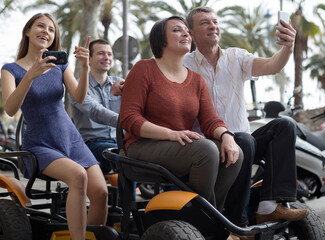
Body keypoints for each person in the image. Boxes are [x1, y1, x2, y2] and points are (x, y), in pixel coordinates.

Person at [183, 6, 308, 239]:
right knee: (244, 140)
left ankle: (268, 207)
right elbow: (156, 79)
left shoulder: (235, 56)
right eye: (204, 23)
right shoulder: (184, 65)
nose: (213, 26)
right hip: (208, 148)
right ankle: (236, 224)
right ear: (190, 32)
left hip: (243, 142)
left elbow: (272, 65)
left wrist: (288, 48)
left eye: (215, 21)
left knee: (284, 126)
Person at [119, 15, 243, 214]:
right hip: (142, 146)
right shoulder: (144, 69)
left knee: (235, 152)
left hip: (180, 146)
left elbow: (210, 121)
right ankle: (208, 222)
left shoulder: (196, 80)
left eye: (186, 30)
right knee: (206, 150)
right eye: (177, 30)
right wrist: (170, 134)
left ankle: (208, 217)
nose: (185, 33)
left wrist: (227, 136)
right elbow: (129, 118)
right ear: (161, 39)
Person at [1, 13, 108, 240]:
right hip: (40, 143)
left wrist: (85, 67)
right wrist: (30, 76)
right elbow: (10, 109)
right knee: (78, 176)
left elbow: (78, 97)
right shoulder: (10, 69)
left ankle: (87, 235)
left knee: (101, 192)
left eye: (51, 30)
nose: (46, 32)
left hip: (71, 138)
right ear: (28, 31)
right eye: (41, 26)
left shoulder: (59, 66)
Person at [70, 39, 123, 173]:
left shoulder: (121, 84)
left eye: (109, 54)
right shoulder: (77, 86)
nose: (106, 57)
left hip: (119, 141)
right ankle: (124, 194)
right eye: (101, 53)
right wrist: (128, 122)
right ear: (89, 59)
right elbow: (95, 111)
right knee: (127, 158)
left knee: (148, 155)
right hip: (91, 144)